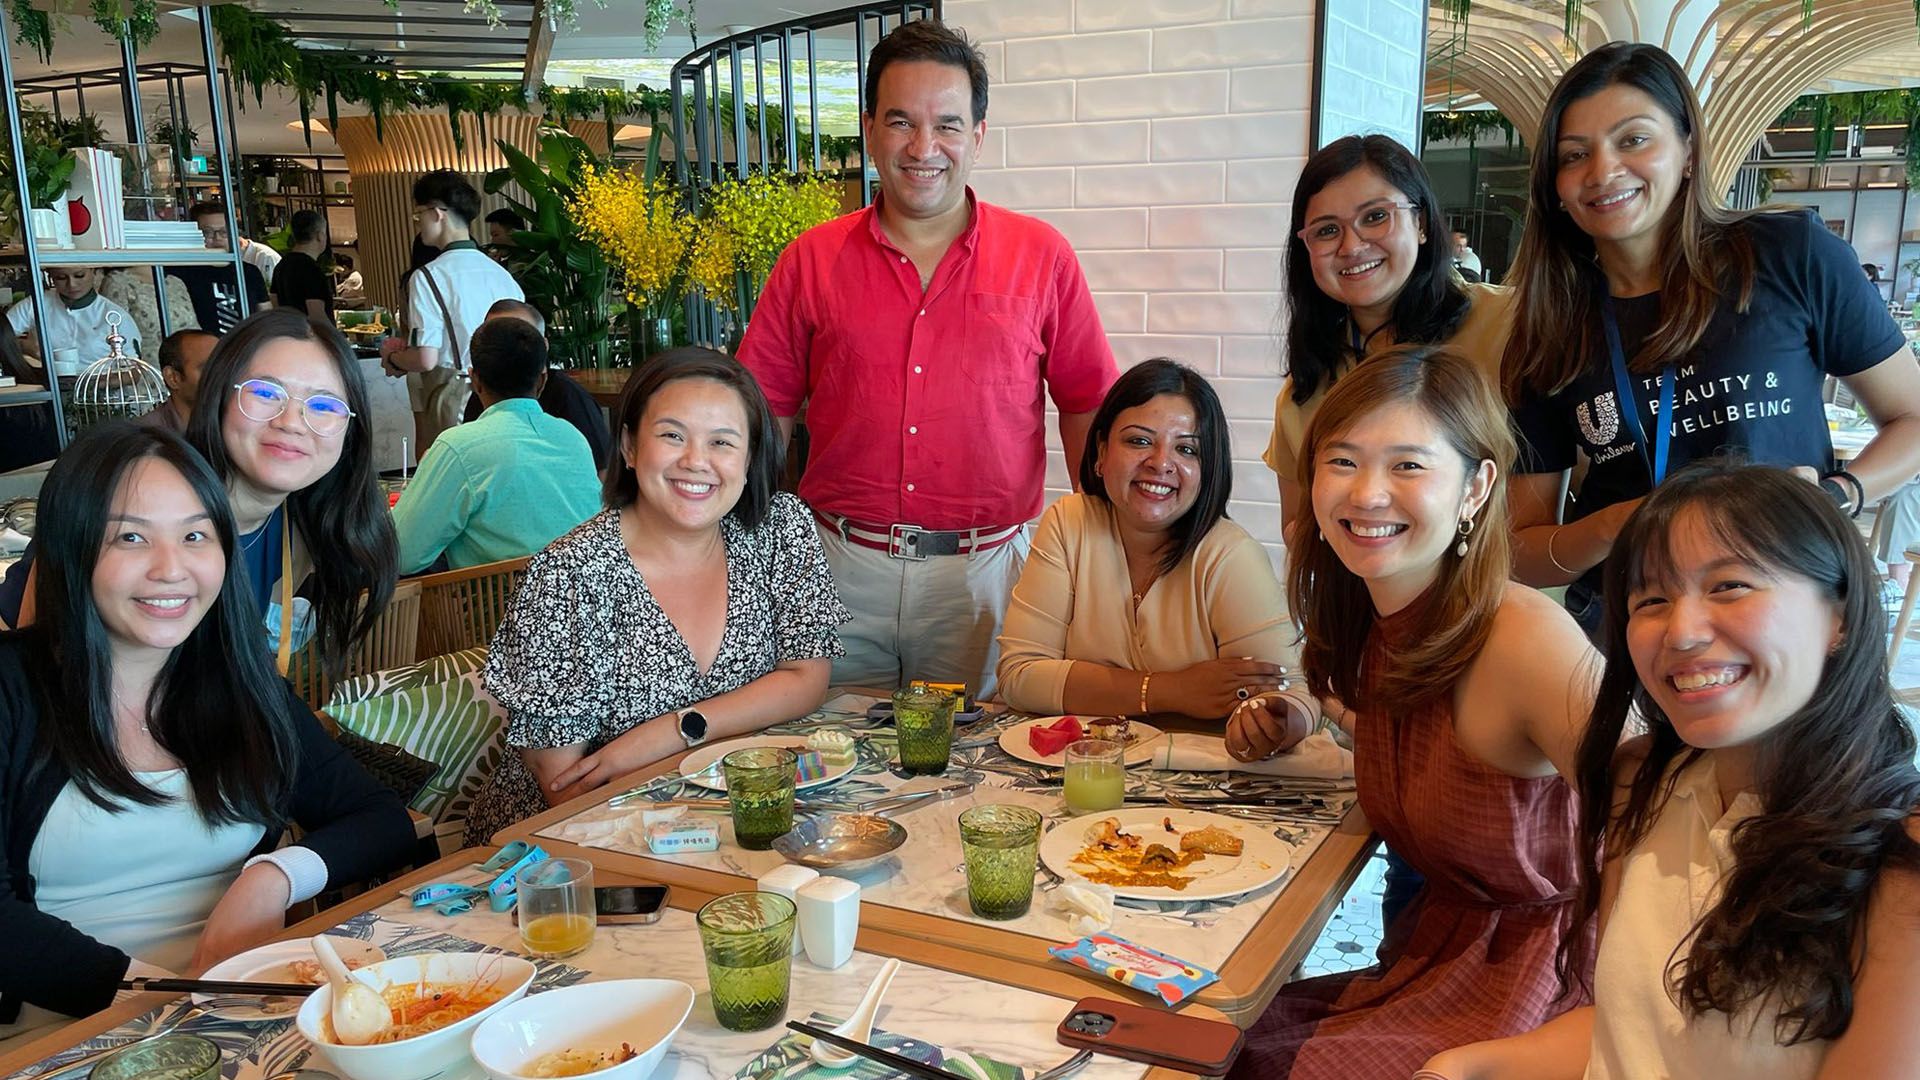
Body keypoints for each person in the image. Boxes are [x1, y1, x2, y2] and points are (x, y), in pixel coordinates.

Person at [1422, 462, 1920, 1079]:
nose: (1681, 633)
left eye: (1730, 586)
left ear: (1838, 616)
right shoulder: (1644, 781)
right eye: (1651, 599)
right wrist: (1461, 1069)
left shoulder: (1901, 861)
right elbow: (1633, 1035)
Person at [1234, 346, 1597, 1079]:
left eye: (1408, 465)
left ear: (1476, 487)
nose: (1367, 494)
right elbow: (1408, 734)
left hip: (1553, 990)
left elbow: (1675, 824)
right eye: (1342, 461)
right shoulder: (1374, 624)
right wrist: (1309, 712)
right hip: (1435, 959)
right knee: (1206, 1042)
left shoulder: (1524, 638)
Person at [739, 19, 1117, 699]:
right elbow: (763, 412)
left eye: (946, 124)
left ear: (977, 133)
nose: (923, 148)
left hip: (986, 577)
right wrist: (755, 552)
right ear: (870, 128)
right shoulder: (811, 260)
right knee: (831, 761)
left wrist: (1103, 551)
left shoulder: (1042, 256)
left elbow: (1089, 402)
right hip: (836, 566)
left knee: (978, 771)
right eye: (901, 122)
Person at [0, 423, 412, 1041]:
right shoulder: (12, 688)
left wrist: (272, 878)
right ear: (72, 548)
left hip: (240, 1016)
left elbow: (380, 818)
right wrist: (160, 996)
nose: (172, 568)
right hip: (66, 1034)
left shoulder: (235, 683)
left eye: (195, 535)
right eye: (131, 537)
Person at [1502, 43, 1920, 635]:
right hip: (1635, 626)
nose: (1602, 171)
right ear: (1557, 187)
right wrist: (1612, 525)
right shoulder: (1549, 325)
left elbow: (1913, 417)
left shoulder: (1786, 255)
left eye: (1633, 139)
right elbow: (1522, 552)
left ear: (1689, 152)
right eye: (1575, 155)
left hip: (1792, 604)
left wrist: (1836, 494)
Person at [464, 348, 849, 846]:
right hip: (569, 850)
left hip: (732, 811)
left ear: (750, 458)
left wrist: (678, 729)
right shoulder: (569, 575)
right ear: (628, 446)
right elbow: (567, 784)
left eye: (722, 443)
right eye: (672, 435)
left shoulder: (777, 528)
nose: (696, 461)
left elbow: (806, 677)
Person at [0, 310, 398, 677]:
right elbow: (33, 663)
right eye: (264, 393)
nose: (292, 422)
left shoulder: (305, 526)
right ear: (219, 395)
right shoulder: (125, 493)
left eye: (325, 404)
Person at [997, 359, 1315, 752]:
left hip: (1200, 787)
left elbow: (1295, 691)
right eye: (1139, 441)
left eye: (1186, 449)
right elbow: (1020, 676)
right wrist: (1171, 690)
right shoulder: (1069, 523)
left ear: (1207, 469)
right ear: (1100, 452)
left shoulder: (1229, 554)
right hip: (1082, 768)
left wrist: (1277, 721)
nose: (1161, 463)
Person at [1268, 135, 1514, 539]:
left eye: (1375, 217)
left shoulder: (1506, 326)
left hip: (1498, 592)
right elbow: (1300, 532)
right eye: (1327, 230)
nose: (1351, 246)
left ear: (1421, 223)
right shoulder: (1307, 385)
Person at [391, 317, 600, 574]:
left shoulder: (458, 446)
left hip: (496, 609)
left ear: (475, 379)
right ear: (542, 379)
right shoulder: (573, 438)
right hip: (583, 604)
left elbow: (401, 555)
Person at [381, 170, 525, 449]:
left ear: (437, 213)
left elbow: (425, 358)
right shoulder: (501, 275)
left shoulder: (427, 276)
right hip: (505, 400)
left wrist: (395, 358)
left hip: (455, 399)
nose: (418, 223)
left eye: (419, 215)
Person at [460, 299, 613, 470]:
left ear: (543, 345)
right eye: (493, 338)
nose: (507, 347)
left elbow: (602, 469)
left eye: (521, 337)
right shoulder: (481, 395)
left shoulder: (568, 396)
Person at [5, 267, 143, 361]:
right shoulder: (36, 304)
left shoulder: (115, 316)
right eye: (61, 278)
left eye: (79, 276)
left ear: (94, 271)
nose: (72, 284)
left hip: (101, 393)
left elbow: (134, 371)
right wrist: (23, 347)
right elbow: (2, 334)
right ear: (51, 277)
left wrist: (90, 383)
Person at [172, 202, 271, 334]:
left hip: (246, 348)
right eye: (207, 232)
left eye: (224, 232)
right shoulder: (181, 272)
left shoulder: (249, 272)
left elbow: (267, 317)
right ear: (193, 234)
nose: (217, 238)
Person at [136, 329, 219, 435]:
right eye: (206, 368)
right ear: (173, 378)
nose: (221, 374)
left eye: (223, 366)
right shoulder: (147, 437)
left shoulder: (233, 424)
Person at [97, 267, 201, 350]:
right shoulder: (118, 282)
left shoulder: (176, 282)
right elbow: (114, 338)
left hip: (185, 367)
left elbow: (194, 330)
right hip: (148, 371)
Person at [270, 209, 334, 322]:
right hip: (310, 336)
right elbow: (317, 317)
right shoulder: (312, 270)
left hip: (290, 332)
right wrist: (337, 338)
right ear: (320, 236)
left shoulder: (281, 266)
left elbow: (275, 306)